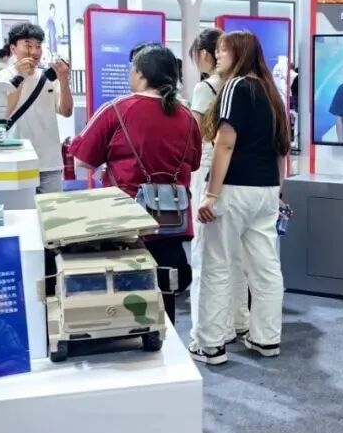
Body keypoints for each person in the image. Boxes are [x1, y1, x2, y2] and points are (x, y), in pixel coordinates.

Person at [69, 43, 201, 322]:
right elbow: (194, 162)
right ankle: (166, 339)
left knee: (126, 292)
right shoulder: (187, 116)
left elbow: (81, 162)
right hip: (172, 221)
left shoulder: (116, 110)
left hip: (125, 220)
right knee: (165, 290)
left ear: (141, 75)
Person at [190, 31, 291, 365]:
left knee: (216, 265)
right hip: (266, 192)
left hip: (234, 190)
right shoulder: (271, 92)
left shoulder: (236, 86)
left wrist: (210, 193)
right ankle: (266, 338)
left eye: (223, 51)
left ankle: (210, 345)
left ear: (240, 54)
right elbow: (281, 148)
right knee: (266, 268)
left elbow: (226, 142)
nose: (218, 56)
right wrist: (278, 192)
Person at [186, 28, 252, 346]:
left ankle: (210, 332)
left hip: (208, 169)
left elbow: (195, 134)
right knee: (235, 255)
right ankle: (239, 321)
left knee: (207, 256)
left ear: (205, 54)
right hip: (237, 173)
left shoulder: (205, 88)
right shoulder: (244, 85)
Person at [0, 23, 73, 194]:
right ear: (13, 48)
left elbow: (66, 111)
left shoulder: (48, 78)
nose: (35, 52)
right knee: (20, 209)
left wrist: (63, 79)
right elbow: (4, 113)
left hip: (49, 164)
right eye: (28, 45)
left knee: (53, 210)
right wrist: (21, 77)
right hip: (15, 162)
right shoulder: (0, 78)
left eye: (38, 46)